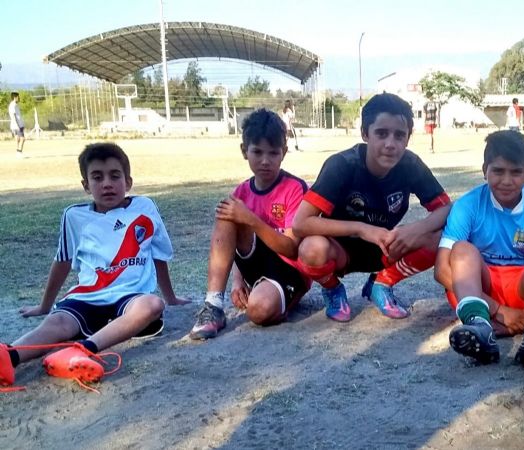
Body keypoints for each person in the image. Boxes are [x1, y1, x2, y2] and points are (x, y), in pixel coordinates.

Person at [0, 143, 188, 392]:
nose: (107, 184)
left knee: (152, 305)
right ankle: (9, 357)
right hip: (86, 298)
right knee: (56, 325)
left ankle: (82, 351)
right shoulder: (74, 216)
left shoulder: (145, 208)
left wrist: (170, 297)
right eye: (97, 177)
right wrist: (44, 306)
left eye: (115, 175)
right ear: (86, 185)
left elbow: (159, 254)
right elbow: (63, 261)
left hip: (129, 298)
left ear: (128, 181)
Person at [292, 93, 451, 322]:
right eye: (381, 133)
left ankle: (382, 283)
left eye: (399, 135)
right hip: (339, 250)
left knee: (440, 237)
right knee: (310, 249)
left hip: (386, 247)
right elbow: (301, 223)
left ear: (408, 139)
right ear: (365, 133)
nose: (390, 144)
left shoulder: (410, 164)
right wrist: (361, 229)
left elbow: (446, 209)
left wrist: (416, 229)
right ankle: (333, 289)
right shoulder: (342, 165)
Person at [434, 130, 524, 367]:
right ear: (484, 170)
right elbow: (441, 270)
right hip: (479, 291)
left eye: (516, 172)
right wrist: (499, 310)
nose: (507, 181)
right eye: (498, 171)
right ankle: (479, 326)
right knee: (461, 250)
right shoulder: (468, 205)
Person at [190, 109, 311, 339]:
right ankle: (213, 305)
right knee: (227, 212)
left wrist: (251, 219)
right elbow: (234, 243)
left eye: (273, 153)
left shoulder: (295, 188)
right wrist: (237, 281)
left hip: (288, 270)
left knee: (259, 310)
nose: (265, 161)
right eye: (257, 152)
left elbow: (292, 249)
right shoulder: (242, 192)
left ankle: (278, 298)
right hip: (256, 267)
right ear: (244, 151)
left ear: (284, 153)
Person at [8, 92, 25, 157]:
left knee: (17, 138)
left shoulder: (14, 104)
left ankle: (17, 151)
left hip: (15, 124)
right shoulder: (13, 105)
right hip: (17, 125)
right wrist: (18, 125)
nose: (19, 98)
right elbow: (14, 115)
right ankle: (19, 152)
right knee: (22, 139)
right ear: (15, 97)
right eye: (18, 97)